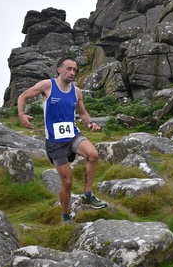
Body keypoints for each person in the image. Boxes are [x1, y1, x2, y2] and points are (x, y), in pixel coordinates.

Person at [18, 56, 107, 224]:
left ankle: (87, 194)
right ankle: (65, 216)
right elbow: (23, 96)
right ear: (59, 69)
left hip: (72, 135)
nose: (72, 72)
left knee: (93, 154)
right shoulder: (48, 86)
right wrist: (22, 114)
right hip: (55, 142)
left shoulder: (76, 92)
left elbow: (82, 113)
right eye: (69, 69)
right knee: (67, 182)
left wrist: (90, 123)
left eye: (75, 70)